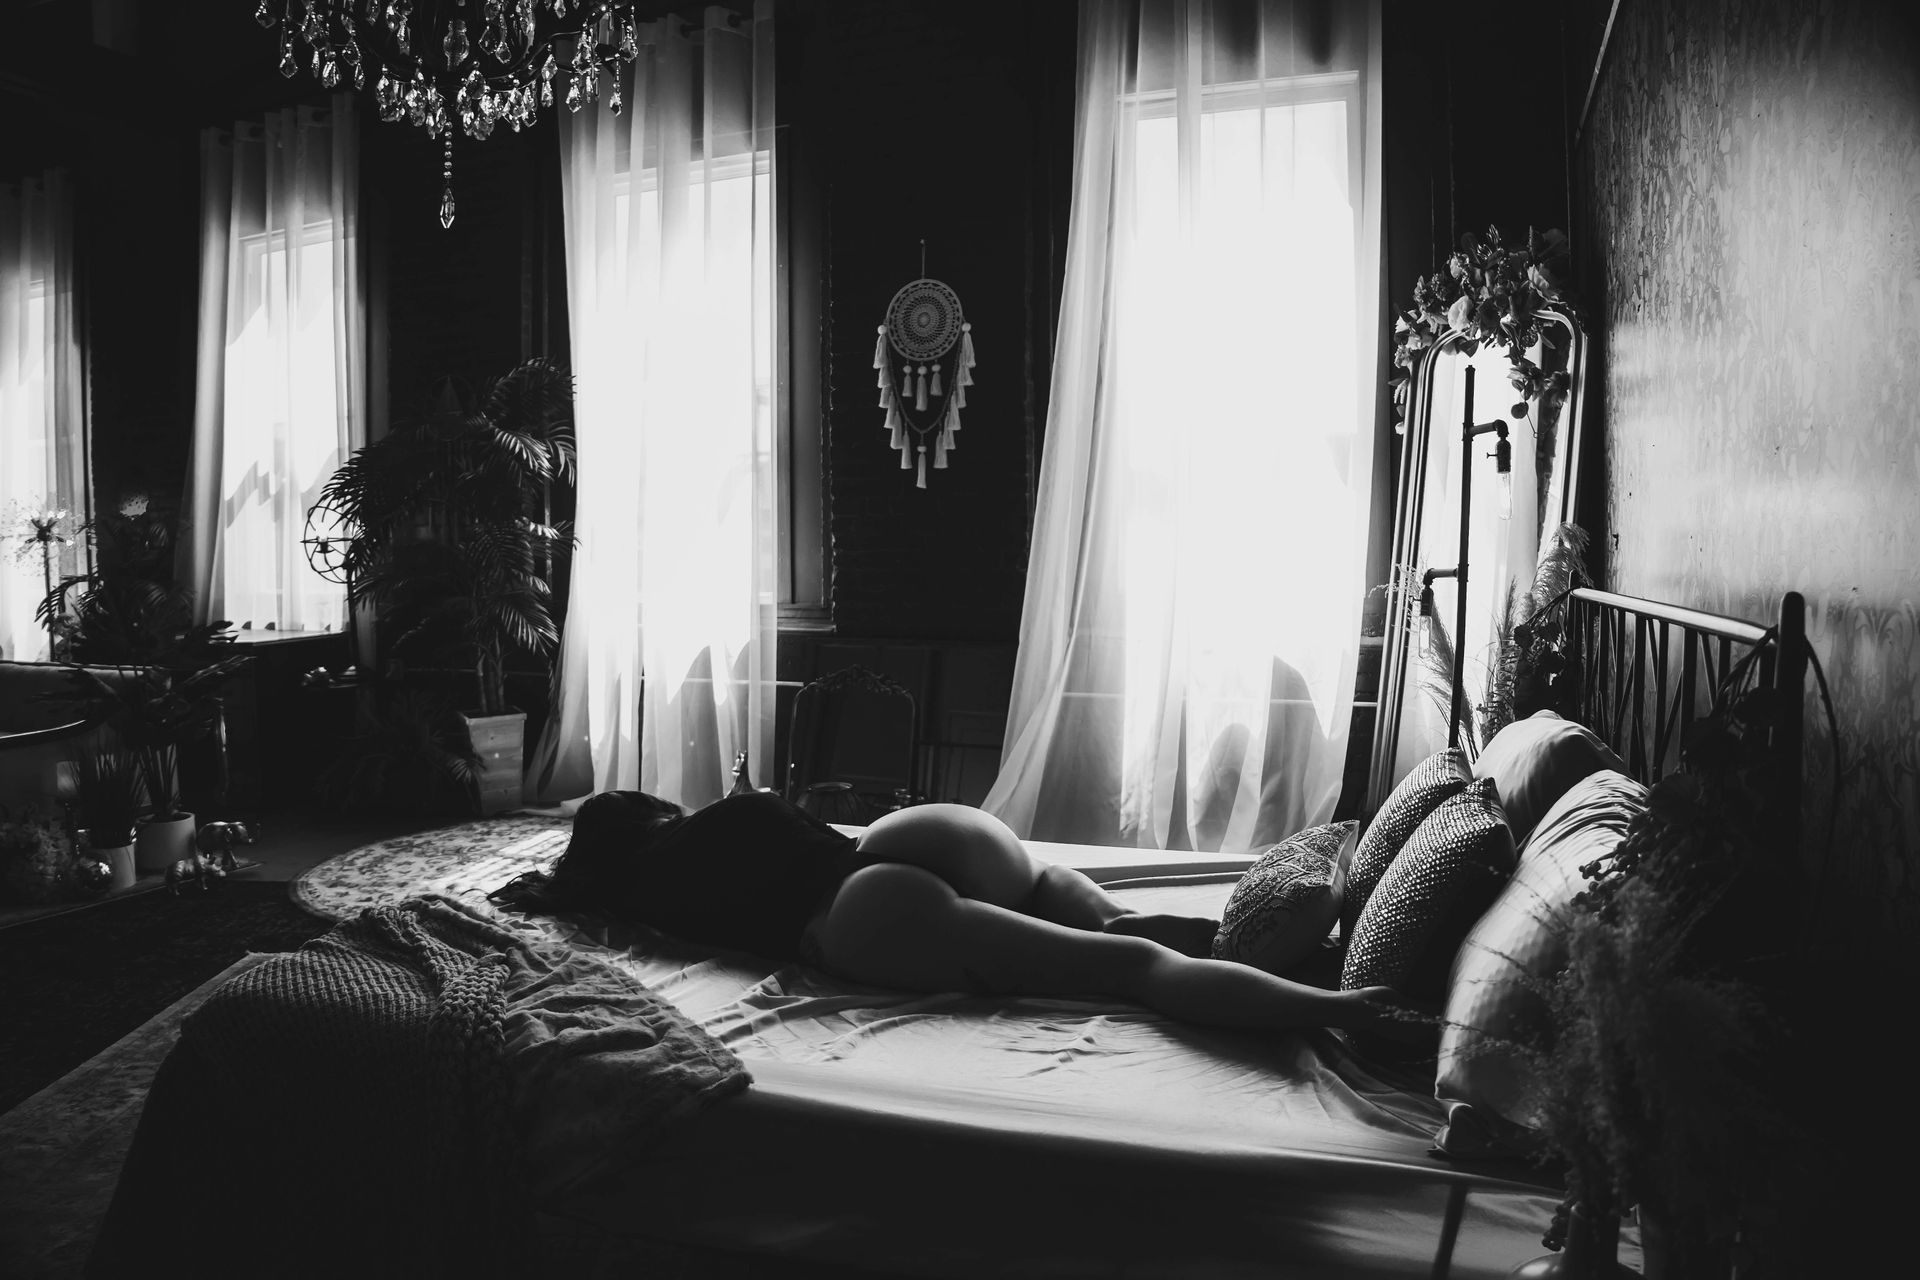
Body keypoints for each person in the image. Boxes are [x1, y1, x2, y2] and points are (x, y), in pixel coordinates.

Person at [490, 789, 1412, 1037]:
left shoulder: (648, 887)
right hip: (921, 840)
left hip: (861, 906)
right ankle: (1306, 966)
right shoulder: (715, 819)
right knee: (1123, 944)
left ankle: (1335, 1006)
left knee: (1134, 976)